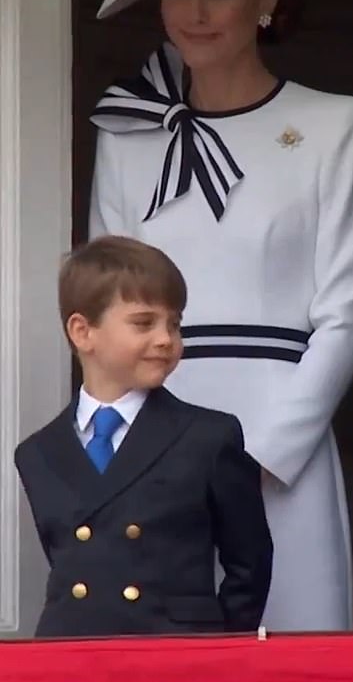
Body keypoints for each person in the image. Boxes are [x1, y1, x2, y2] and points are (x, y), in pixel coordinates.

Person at [88, 0, 353, 631]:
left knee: (290, 645)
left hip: (283, 442)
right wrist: (134, 452)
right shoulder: (127, 133)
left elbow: (345, 315)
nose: (195, 10)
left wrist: (261, 459)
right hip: (159, 441)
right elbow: (105, 311)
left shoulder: (335, 123)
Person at [14, 236, 272, 638]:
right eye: (143, 323)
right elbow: (73, 561)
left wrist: (219, 652)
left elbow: (249, 563)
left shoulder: (209, 437)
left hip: (173, 656)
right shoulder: (37, 453)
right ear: (83, 332)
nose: (166, 338)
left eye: (174, 323)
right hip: (71, 654)